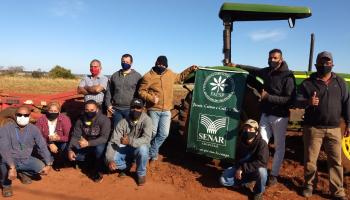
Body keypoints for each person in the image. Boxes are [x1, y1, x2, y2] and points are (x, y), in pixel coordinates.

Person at [229, 49, 296, 187]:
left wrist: (268, 97)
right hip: (265, 115)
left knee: (279, 146)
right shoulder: (267, 71)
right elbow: (254, 69)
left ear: (281, 60)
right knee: (260, 144)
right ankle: (257, 172)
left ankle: (274, 174)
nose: (272, 60)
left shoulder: (288, 76)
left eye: (275, 58)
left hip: (279, 117)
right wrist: (237, 66)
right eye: (270, 57)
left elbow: (289, 99)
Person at [295, 51, 350, 200]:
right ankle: (309, 186)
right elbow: (297, 101)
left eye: (327, 63)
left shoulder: (340, 82)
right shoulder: (307, 83)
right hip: (313, 128)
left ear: (332, 64)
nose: (324, 66)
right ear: (316, 65)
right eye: (321, 63)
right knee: (310, 160)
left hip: (334, 128)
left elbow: (346, 103)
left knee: (336, 161)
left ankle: (338, 192)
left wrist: (349, 123)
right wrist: (307, 102)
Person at [138, 55, 198, 167]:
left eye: (163, 65)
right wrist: (151, 98)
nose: (161, 66)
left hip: (166, 110)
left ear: (166, 66)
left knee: (164, 134)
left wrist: (191, 68)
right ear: (156, 63)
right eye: (159, 64)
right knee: (152, 132)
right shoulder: (148, 76)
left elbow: (180, 77)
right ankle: (148, 155)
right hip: (153, 109)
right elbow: (141, 91)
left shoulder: (170, 74)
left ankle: (152, 152)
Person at [0, 106, 52, 197]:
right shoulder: (5, 129)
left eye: (25, 115)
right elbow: (4, 149)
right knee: (4, 163)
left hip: (26, 159)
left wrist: (48, 164)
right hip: (11, 160)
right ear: (15, 115)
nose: (22, 117)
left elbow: (42, 146)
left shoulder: (34, 129)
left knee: (41, 168)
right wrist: (11, 166)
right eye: (20, 115)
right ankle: (6, 184)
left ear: (29, 116)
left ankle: (23, 172)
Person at [105, 98, 152, 186]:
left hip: (138, 147)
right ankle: (129, 164)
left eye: (138, 108)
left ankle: (141, 174)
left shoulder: (147, 120)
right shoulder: (122, 122)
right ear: (130, 108)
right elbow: (113, 141)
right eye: (133, 107)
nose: (135, 110)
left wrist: (130, 141)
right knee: (107, 160)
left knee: (144, 149)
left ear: (142, 109)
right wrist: (110, 159)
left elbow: (147, 139)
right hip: (125, 148)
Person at [220, 119, 269, 200]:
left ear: (256, 132)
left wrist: (243, 168)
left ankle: (258, 191)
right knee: (223, 180)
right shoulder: (241, 141)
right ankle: (246, 182)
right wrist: (239, 167)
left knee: (262, 172)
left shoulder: (262, 143)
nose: (247, 131)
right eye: (245, 129)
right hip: (241, 169)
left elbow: (262, 162)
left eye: (250, 129)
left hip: (254, 170)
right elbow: (237, 158)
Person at [67, 100, 111, 183]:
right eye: (87, 110)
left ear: (97, 110)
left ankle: (99, 170)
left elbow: (104, 138)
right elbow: (75, 136)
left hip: (99, 144)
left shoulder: (104, 120)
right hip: (85, 144)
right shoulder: (80, 120)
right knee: (71, 154)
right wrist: (70, 150)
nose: (89, 112)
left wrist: (88, 143)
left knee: (99, 149)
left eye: (92, 110)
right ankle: (92, 160)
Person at [105, 54, 142, 128]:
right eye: (123, 61)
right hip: (116, 109)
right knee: (117, 130)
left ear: (131, 63)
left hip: (130, 109)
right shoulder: (115, 75)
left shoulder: (137, 76)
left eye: (127, 62)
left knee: (130, 131)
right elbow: (109, 91)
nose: (125, 63)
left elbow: (140, 93)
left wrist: (138, 108)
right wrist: (108, 105)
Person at [35, 101, 71, 168]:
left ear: (59, 111)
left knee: (66, 146)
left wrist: (58, 138)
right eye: (51, 111)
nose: (53, 113)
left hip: (61, 141)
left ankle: (66, 159)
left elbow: (68, 137)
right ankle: (49, 159)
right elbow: (38, 136)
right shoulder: (41, 119)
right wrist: (49, 144)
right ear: (47, 111)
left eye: (55, 111)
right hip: (46, 140)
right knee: (38, 146)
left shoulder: (65, 119)